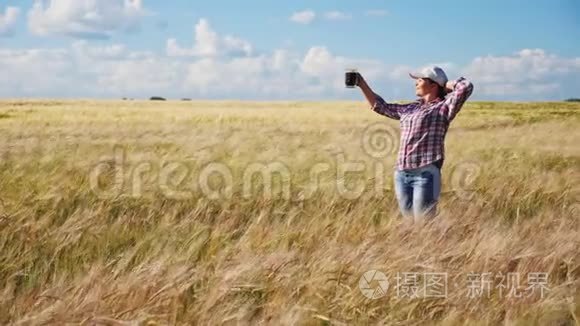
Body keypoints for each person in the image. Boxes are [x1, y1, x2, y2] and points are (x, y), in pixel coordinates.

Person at [355, 66, 474, 222]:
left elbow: (466, 86)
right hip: (402, 173)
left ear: (433, 84)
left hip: (426, 173)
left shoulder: (444, 107)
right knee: (410, 223)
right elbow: (380, 106)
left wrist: (444, 85)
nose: (416, 83)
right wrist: (361, 83)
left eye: (420, 79)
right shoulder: (410, 108)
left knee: (423, 222)